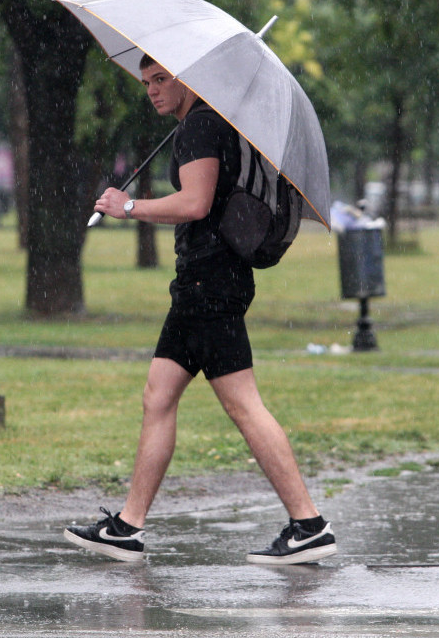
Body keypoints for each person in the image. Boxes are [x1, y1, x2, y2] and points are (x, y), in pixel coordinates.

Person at [63, 55, 337, 565]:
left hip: (208, 283)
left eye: (162, 79)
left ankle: (309, 524)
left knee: (242, 404)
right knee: (158, 395)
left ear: (189, 77)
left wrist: (128, 208)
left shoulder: (201, 127)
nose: (152, 90)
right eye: (146, 82)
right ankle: (128, 526)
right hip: (206, 281)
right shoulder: (209, 124)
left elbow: (194, 203)